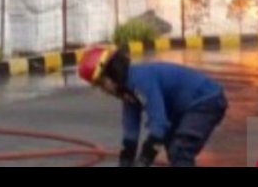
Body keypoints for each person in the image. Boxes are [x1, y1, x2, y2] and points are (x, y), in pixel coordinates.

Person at [78, 46, 228, 167]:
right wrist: (126, 159)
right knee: (172, 147)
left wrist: (144, 159)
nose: (104, 90)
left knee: (180, 149)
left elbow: (159, 124)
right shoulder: (127, 88)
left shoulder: (139, 81)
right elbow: (131, 127)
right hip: (184, 107)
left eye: (101, 83)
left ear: (111, 72)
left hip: (206, 101)